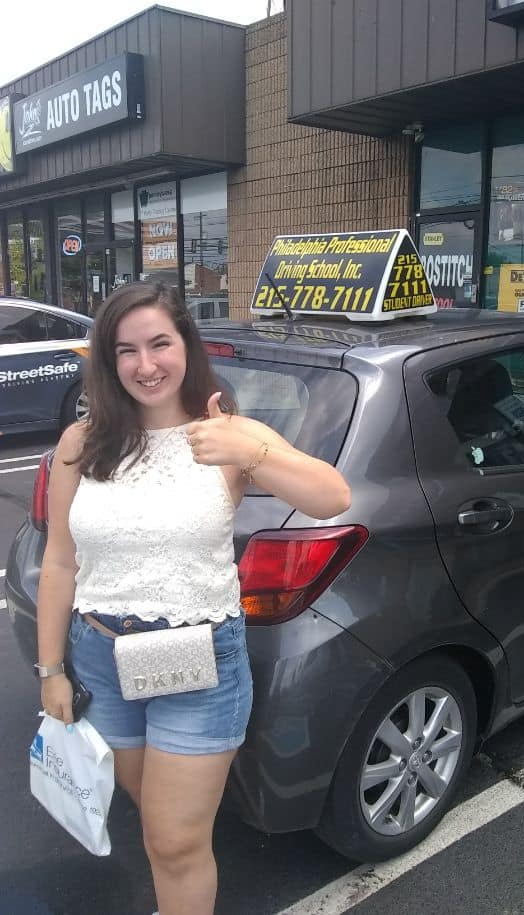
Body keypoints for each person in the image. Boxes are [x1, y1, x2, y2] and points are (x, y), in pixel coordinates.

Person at [35, 281, 351, 915]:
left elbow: (333, 498)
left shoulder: (227, 437)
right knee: (154, 828)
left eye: (160, 344)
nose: (145, 365)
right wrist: (50, 672)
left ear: (186, 345)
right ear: (108, 360)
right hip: (101, 658)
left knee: (177, 840)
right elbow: (61, 561)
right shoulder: (83, 443)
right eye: (127, 350)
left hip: (199, 663)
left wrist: (250, 449)